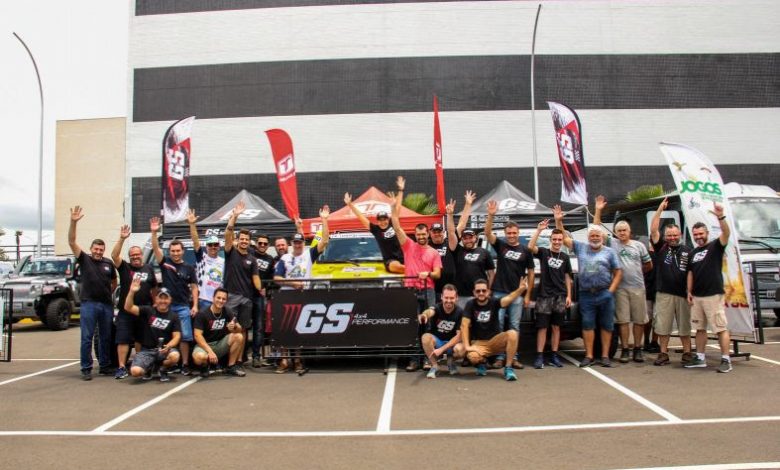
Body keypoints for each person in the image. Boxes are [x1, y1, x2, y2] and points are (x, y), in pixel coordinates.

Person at [555, 204, 622, 368]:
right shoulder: (581, 247)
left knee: (607, 325)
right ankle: (589, 356)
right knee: (587, 325)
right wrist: (558, 221)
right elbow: (564, 238)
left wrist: (610, 291)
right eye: (592, 235)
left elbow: (618, 273)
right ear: (588, 237)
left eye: (597, 235)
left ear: (602, 237)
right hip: (586, 294)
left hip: (605, 293)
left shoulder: (609, 252)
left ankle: (605, 356)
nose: (595, 238)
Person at [390, 184, 443, 371]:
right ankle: (414, 359)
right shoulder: (408, 246)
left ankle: (429, 359)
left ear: (428, 234)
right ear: (415, 234)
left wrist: (428, 274)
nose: (421, 236)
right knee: (413, 325)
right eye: (418, 234)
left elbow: (437, 274)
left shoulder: (434, 253)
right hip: (411, 290)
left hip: (428, 290)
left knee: (428, 325)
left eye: (423, 234)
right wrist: (395, 205)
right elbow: (396, 225)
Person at [593, 196, 653, 363]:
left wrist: (637, 273)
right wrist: (598, 210)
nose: (621, 233)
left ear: (629, 231)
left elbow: (649, 264)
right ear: (615, 232)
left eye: (624, 230)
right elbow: (596, 228)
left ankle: (638, 349)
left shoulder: (639, 246)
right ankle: (625, 349)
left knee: (639, 320)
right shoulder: (612, 244)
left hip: (638, 287)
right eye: (619, 230)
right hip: (619, 289)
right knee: (623, 321)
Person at [274, 205, 331, 373]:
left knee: (299, 329)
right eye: (295, 242)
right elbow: (277, 278)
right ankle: (284, 361)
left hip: (303, 297)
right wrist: (293, 283)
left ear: (303, 243)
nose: (298, 245)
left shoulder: (309, 255)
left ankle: (298, 360)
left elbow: (325, 241)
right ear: (292, 244)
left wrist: (324, 219)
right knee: (285, 329)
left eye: (300, 242)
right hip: (286, 297)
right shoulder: (285, 258)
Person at [68, 206, 118, 381]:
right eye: (96, 249)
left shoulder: (108, 263)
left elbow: (114, 281)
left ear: (104, 250)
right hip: (89, 304)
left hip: (106, 305)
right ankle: (86, 368)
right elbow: (72, 242)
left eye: (101, 249)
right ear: (91, 249)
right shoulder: (84, 259)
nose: (98, 251)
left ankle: (104, 366)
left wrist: (108, 292)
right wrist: (73, 222)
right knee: (87, 338)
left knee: (105, 337)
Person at [484, 200, 535, 369]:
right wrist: (491, 215)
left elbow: (531, 272)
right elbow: (487, 232)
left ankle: (513, 357)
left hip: (517, 294)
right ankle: (499, 356)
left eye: (514, 233)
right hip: (499, 292)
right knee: (498, 324)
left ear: (518, 233)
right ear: (505, 234)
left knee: (514, 326)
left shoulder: (526, 251)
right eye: (509, 233)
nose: (511, 235)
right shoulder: (501, 246)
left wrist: (527, 295)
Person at [685, 203, 733, 373]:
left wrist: (721, 217)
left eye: (701, 234)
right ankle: (700, 358)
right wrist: (689, 291)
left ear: (706, 233)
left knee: (720, 328)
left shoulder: (715, 246)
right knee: (699, 329)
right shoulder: (692, 253)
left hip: (713, 294)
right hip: (697, 296)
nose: (698, 236)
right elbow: (690, 273)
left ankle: (726, 360)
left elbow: (726, 233)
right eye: (695, 234)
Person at [150, 216, 199, 376]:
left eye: (178, 251)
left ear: (183, 251)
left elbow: (194, 287)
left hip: (183, 307)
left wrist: (195, 305)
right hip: (167, 308)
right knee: (166, 336)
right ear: (169, 252)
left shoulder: (189, 268)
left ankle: (184, 364)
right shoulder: (165, 263)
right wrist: (154, 232)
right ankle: (169, 363)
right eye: (173, 251)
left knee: (185, 337)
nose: (176, 253)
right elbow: (155, 248)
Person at [650, 197, 694, 366]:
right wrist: (660, 210)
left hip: (683, 294)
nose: (672, 238)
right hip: (664, 293)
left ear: (680, 235)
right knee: (663, 325)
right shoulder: (661, 247)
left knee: (684, 325)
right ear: (665, 236)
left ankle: (687, 352)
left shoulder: (688, 250)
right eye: (669, 235)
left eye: (675, 235)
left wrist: (691, 291)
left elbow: (691, 273)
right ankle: (663, 353)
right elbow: (654, 230)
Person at [111, 223, 158, 379]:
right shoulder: (125, 267)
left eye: (138, 254)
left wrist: (155, 303)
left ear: (141, 255)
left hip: (143, 310)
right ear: (130, 257)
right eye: (133, 255)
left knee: (140, 339)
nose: (135, 257)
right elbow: (114, 256)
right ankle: (121, 367)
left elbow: (154, 288)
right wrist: (122, 239)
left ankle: (139, 364)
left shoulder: (149, 268)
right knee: (123, 339)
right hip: (126, 310)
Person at [461, 278, 527, 381]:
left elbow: (509, 298)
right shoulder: (470, 304)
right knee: (472, 357)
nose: (481, 293)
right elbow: (464, 325)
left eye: (484, 290)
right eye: (478, 291)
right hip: (478, 343)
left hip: (494, 341)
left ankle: (508, 368)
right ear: (474, 292)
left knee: (513, 333)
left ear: (488, 291)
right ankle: (482, 364)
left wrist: (521, 289)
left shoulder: (494, 301)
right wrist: (467, 346)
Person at [528, 220, 572, 369]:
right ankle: (539, 356)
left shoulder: (565, 257)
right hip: (544, 296)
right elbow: (530, 247)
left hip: (560, 296)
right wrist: (538, 230)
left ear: (562, 240)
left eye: (560, 239)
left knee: (556, 327)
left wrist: (569, 295)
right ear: (550, 240)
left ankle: (554, 355)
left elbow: (567, 277)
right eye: (555, 239)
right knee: (542, 327)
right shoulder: (544, 252)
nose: (557, 242)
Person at [222, 201, 262, 368]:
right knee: (231, 327)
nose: (244, 241)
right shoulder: (230, 252)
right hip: (231, 297)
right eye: (242, 239)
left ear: (249, 242)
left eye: (247, 239)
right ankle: (227, 361)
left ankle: (238, 360)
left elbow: (256, 278)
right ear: (237, 240)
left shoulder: (252, 259)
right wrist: (235, 216)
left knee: (243, 329)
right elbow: (228, 233)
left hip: (247, 299)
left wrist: (261, 289)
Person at [344, 176, 406, 274]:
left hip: (404, 257)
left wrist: (401, 190)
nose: (383, 222)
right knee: (398, 267)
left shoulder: (393, 224)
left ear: (388, 219)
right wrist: (350, 204)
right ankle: (413, 270)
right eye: (380, 220)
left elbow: (397, 208)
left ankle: (413, 269)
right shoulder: (375, 229)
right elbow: (361, 217)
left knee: (412, 264)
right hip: (391, 261)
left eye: (385, 219)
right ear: (377, 221)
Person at [124, 279, 181, 382]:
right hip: (147, 350)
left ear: (170, 300)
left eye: (166, 298)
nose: (163, 301)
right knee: (135, 371)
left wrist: (169, 346)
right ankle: (148, 368)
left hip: (164, 350)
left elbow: (177, 336)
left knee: (174, 356)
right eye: (160, 298)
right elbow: (128, 307)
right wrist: (132, 291)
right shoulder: (148, 310)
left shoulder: (174, 316)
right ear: (155, 299)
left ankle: (163, 368)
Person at [192, 288, 246, 377]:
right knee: (199, 357)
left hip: (219, 344)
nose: (221, 301)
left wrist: (234, 327)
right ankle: (205, 367)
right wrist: (210, 351)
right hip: (204, 345)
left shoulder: (227, 311)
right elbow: (197, 335)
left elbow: (239, 328)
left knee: (239, 336)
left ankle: (231, 366)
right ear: (213, 298)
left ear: (226, 301)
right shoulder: (203, 313)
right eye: (218, 298)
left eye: (224, 299)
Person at [418, 284, 465, 378]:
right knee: (425, 337)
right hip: (438, 341)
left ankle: (451, 361)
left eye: (451, 298)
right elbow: (430, 311)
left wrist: (441, 350)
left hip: (452, 343)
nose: (448, 300)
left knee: (462, 349)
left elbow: (459, 337)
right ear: (442, 297)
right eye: (446, 297)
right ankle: (435, 366)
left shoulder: (460, 312)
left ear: (456, 298)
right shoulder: (436, 307)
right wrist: (424, 315)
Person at [187, 209, 224, 311]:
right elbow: (195, 241)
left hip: (219, 301)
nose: (213, 247)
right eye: (210, 245)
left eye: (215, 245)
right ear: (206, 247)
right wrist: (192, 224)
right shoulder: (202, 258)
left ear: (219, 247)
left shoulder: (224, 261)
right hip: (203, 300)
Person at [453, 227, 495, 310]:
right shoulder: (457, 251)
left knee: (479, 317)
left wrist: (489, 290)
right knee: (462, 317)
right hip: (461, 295)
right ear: (462, 239)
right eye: (465, 238)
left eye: (470, 238)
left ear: (475, 237)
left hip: (480, 294)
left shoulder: (485, 252)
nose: (468, 240)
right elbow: (452, 233)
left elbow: (491, 274)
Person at [252, 233, 276, 367]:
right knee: (243, 327)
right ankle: (240, 358)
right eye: (260, 243)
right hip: (246, 294)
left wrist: (266, 287)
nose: (262, 245)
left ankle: (256, 357)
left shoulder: (270, 259)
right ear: (256, 244)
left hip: (260, 296)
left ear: (268, 245)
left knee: (259, 327)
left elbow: (272, 278)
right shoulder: (250, 253)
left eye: (265, 243)